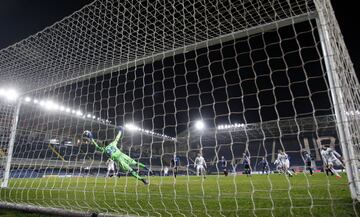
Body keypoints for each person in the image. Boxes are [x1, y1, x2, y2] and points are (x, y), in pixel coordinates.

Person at [83, 126, 149, 185]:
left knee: (131, 171)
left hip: (119, 160)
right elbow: (117, 138)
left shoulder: (104, 150)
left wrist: (91, 139)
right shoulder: (113, 144)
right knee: (135, 163)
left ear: (103, 144)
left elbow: (96, 146)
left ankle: (142, 179)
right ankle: (147, 168)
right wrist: (120, 131)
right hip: (123, 156)